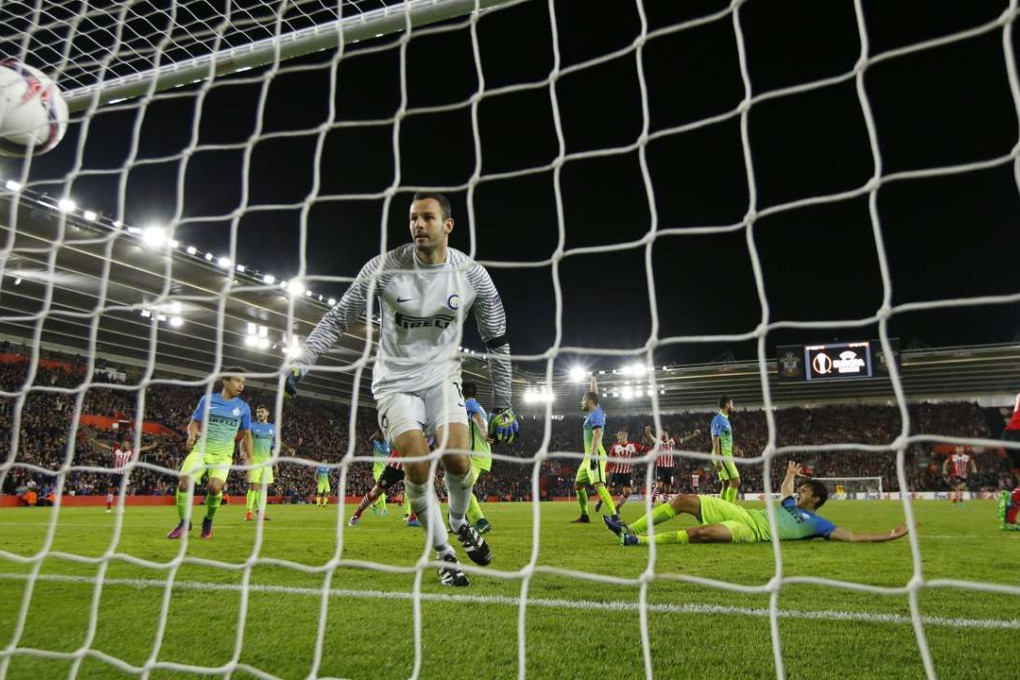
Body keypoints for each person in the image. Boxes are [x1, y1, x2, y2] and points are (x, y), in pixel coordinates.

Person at [287, 192, 517, 587]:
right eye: (413, 218)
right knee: (418, 461)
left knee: (459, 461)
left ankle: (460, 522)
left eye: (427, 217)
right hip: (394, 383)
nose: (418, 225)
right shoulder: (384, 268)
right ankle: (445, 556)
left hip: (443, 378)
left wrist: (505, 403)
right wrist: (303, 358)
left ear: (448, 225)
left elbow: (496, 339)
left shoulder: (472, 275)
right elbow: (340, 316)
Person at [604, 461, 914, 546]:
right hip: (742, 512)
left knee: (703, 534)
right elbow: (784, 491)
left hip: (750, 531)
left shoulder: (819, 524)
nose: (800, 492)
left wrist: (890, 534)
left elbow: (853, 537)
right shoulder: (791, 505)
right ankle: (629, 526)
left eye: (805, 490)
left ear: (816, 499)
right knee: (683, 499)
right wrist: (790, 475)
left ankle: (636, 541)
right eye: (800, 488)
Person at [168, 368, 254, 540]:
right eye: (238, 381)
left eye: (243, 382)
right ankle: (184, 522)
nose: (241, 385)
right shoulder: (207, 400)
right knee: (184, 484)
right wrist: (192, 435)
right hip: (201, 451)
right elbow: (194, 423)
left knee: (214, 488)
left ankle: (208, 521)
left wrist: (250, 458)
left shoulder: (243, 407)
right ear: (225, 381)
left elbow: (247, 435)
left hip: (223, 456)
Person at [571, 375, 619, 525]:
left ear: (590, 402)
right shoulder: (595, 410)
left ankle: (615, 517)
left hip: (595, 454)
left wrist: (592, 455)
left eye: (583, 400)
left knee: (598, 485)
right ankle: (585, 515)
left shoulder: (595, 415)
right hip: (588, 456)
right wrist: (593, 379)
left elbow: (597, 434)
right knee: (578, 485)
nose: (581, 402)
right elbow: (594, 394)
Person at [349, 446, 421, 527]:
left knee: (418, 491)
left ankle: (412, 518)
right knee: (375, 492)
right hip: (395, 467)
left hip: (412, 468)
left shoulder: (428, 437)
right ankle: (357, 514)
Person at [89, 434, 158, 513]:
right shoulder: (116, 450)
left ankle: (121, 507)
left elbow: (141, 449)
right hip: (115, 474)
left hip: (123, 475)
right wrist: (94, 441)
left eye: (128, 444)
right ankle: (108, 508)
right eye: (126, 444)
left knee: (123, 491)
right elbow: (104, 446)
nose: (127, 445)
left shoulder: (130, 452)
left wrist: (152, 446)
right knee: (111, 491)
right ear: (122, 445)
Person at [462, 381, 494, 534]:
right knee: (449, 483)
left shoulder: (469, 405)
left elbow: (476, 419)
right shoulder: (479, 406)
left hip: (476, 456)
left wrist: (484, 433)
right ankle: (459, 521)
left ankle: (481, 522)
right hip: (480, 455)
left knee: (462, 488)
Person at [642, 425, 700, 504]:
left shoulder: (673, 441)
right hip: (660, 467)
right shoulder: (658, 442)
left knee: (668, 489)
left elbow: (684, 439)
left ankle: (664, 503)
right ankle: (652, 502)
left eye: (661, 432)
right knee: (659, 486)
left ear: (666, 434)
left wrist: (694, 435)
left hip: (670, 468)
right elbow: (650, 438)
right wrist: (647, 432)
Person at [245, 405, 277, 521]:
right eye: (258, 412)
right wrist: (246, 457)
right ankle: (248, 512)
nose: (259, 414)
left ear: (267, 413)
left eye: (262, 412)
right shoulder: (252, 426)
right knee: (254, 486)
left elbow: (272, 446)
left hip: (267, 461)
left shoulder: (272, 428)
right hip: (255, 460)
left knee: (264, 488)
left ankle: (260, 512)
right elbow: (244, 441)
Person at [598, 430, 642, 513]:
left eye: (619, 435)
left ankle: (617, 508)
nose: (618, 437)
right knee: (609, 491)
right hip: (617, 473)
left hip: (627, 473)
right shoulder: (615, 446)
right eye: (617, 436)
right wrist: (606, 470)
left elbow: (643, 448)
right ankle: (600, 501)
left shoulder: (632, 446)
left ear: (624, 436)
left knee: (628, 492)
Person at [711, 396, 740, 503]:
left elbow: (725, 438)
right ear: (727, 405)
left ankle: (721, 508)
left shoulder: (725, 420)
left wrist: (735, 449)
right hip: (722, 456)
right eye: (732, 404)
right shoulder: (718, 419)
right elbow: (715, 439)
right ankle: (730, 509)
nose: (733, 407)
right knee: (736, 481)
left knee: (726, 483)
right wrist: (719, 460)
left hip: (725, 454)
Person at [368, 431, 392, 516]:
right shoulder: (376, 443)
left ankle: (374, 505)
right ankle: (384, 509)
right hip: (377, 470)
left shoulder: (388, 446)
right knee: (381, 488)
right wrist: (376, 433)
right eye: (381, 435)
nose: (382, 437)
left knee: (383, 490)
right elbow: (369, 440)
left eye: (384, 435)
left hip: (385, 470)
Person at [1002, 386, 1020, 485]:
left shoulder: (1018, 396)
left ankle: (1014, 498)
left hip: (1008, 435)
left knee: (1017, 471)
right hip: (1018, 432)